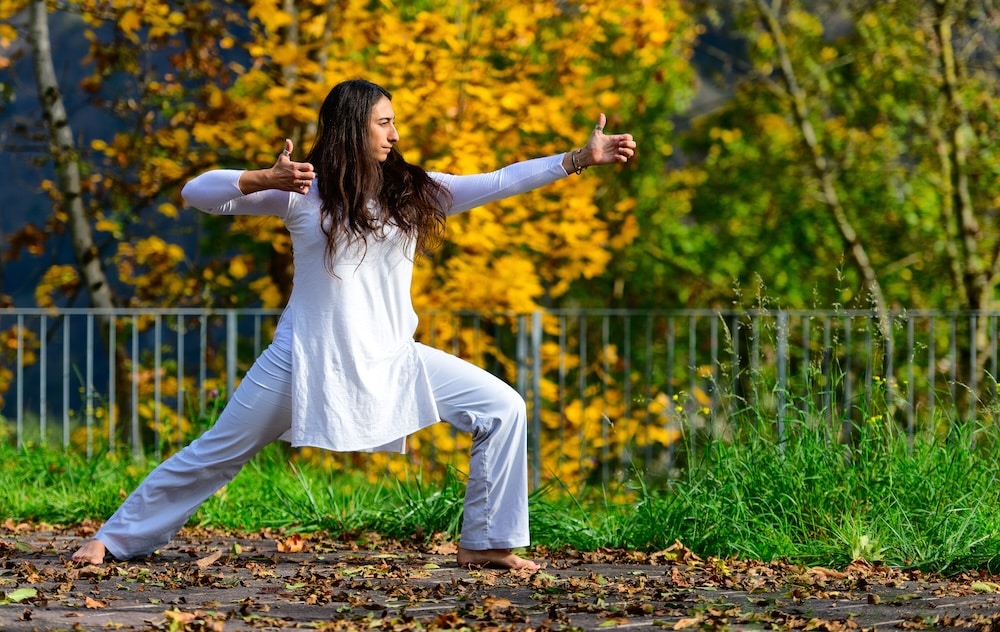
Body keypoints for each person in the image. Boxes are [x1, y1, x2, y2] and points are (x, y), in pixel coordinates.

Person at [72, 78, 636, 570]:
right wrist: (261, 177)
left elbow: (496, 181)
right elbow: (196, 193)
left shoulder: (412, 191)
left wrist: (576, 159)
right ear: (351, 128)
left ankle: (487, 543)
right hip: (304, 362)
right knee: (217, 452)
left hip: (394, 357)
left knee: (502, 407)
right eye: (384, 123)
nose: (394, 134)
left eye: (394, 123)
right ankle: (115, 538)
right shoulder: (302, 193)